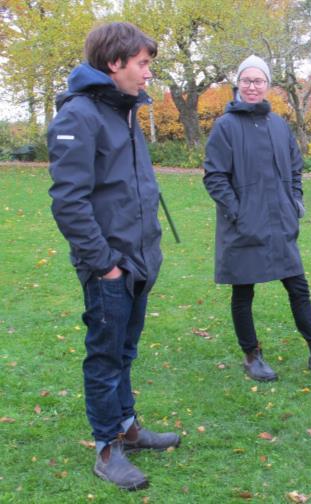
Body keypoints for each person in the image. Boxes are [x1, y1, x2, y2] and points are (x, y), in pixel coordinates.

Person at [48, 22, 180, 491]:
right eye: (143, 64)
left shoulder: (125, 112)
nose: (148, 74)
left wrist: (146, 251)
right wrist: (104, 263)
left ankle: (128, 427)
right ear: (114, 63)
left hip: (140, 260)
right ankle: (108, 448)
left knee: (125, 351)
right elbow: (69, 201)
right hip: (109, 267)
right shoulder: (79, 116)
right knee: (105, 358)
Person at [203, 55, 311, 381]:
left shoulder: (278, 125)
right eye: (246, 80)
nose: (252, 86)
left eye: (258, 81)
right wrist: (238, 211)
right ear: (237, 85)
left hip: (280, 222)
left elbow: (294, 167)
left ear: (268, 86)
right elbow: (215, 177)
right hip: (243, 226)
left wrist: (295, 202)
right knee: (243, 293)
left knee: (298, 287)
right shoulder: (225, 127)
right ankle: (251, 356)